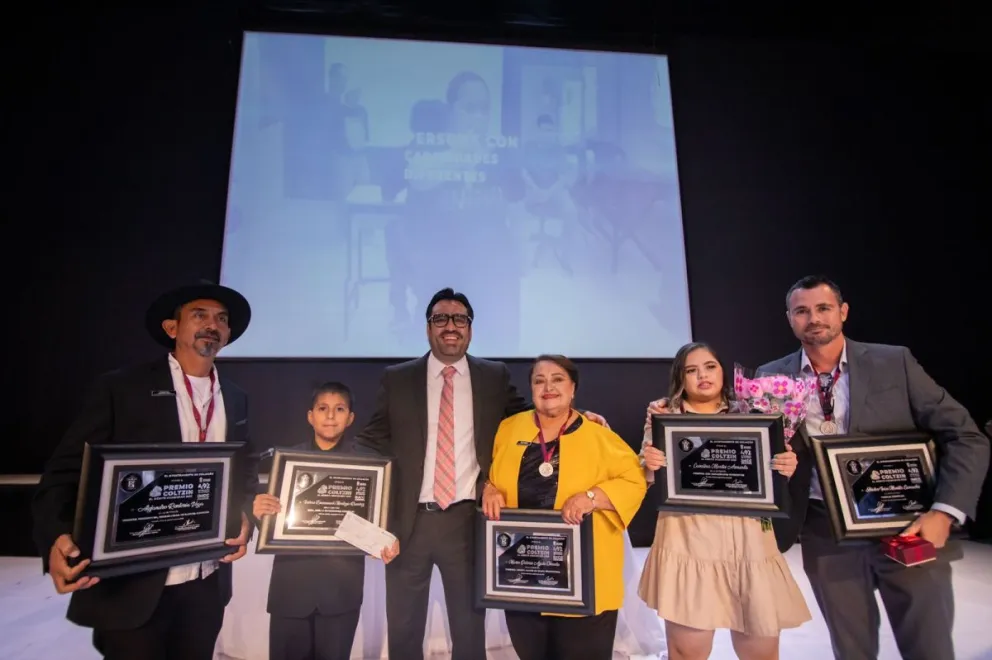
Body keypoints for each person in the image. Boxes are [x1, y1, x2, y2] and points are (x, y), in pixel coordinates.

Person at [354, 288, 608, 660]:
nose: (450, 326)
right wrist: (367, 513)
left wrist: (577, 418)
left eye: (460, 319)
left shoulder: (492, 375)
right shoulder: (398, 378)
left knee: (469, 634)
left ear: (470, 329)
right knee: (404, 632)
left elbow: (530, 419)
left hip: (468, 523)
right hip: (407, 525)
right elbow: (369, 441)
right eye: (440, 319)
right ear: (428, 329)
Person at [757, 274, 990, 660]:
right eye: (802, 311)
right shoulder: (770, 377)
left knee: (929, 648)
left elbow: (965, 435)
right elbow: (757, 452)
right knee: (853, 651)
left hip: (908, 525)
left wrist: (944, 513)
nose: (813, 318)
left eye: (823, 308)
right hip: (825, 530)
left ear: (843, 312)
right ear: (789, 319)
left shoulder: (893, 361)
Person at [31, 280, 258, 660]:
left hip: (204, 583)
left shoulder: (236, 398)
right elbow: (65, 472)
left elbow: (244, 470)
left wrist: (245, 512)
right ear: (172, 328)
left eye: (221, 319)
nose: (212, 325)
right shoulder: (121, 388)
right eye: (199, 315)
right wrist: (55, 535)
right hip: (131, 588)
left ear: (228, 334)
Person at [639, 342, 810, 660]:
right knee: (688, 652)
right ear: (681, 378)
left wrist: (783, 467)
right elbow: (647, 478)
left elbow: (770, 472)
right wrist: (649, 466)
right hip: (687, 539)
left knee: (760, 651)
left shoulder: (754, 408)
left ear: (723, 371)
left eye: (710, 366)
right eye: (691, 370)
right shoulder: (664, 413)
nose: (702, 375)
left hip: (748, 541)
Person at [481, 354, 647, 660]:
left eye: (557, 379)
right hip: (522, 576)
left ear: (573, 389)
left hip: (583, 580)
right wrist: (489, 488)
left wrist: (593, 497)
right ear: (530, 389)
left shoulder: (600, 436)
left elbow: (635, 480)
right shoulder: (508, 428)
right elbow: (491, 473)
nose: (548, 387)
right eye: (539, 380)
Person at [253, 382, 398, 660]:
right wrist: (260, 513)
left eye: (339, 409)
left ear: (350, 418)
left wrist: (384, 540)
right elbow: (270, 524)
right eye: (323, 409)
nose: (330, 416)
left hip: (340, 594)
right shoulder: (286, 461)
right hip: (290, 592)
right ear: (310, 416)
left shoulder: (367, 465)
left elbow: (379, 521)